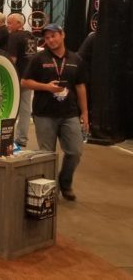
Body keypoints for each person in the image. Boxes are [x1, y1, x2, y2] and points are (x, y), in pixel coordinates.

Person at [21, 24, 89, 201]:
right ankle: (49, 191)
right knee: (47, 155)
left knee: (75, 152)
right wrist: (46, 87)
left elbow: (80, 86)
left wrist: (85, 113)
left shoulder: (75, 59)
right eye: (47, 37)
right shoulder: (38, 58)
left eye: (53, 36)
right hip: (44, 114)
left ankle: (65, 183)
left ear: (62, 35)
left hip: (70, 114)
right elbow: (25, 82)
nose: (50, 40)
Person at [5, 14, 37, 147]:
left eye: (10, 23)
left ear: (19, 23)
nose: (7, 25)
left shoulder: (14, 36)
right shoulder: (31, 36)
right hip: (29, 76)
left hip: (16, 77)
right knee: (25, 108)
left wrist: (6, 76)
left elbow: (12, 59)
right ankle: (22, 138)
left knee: (8, 106)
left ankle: (5, 137)